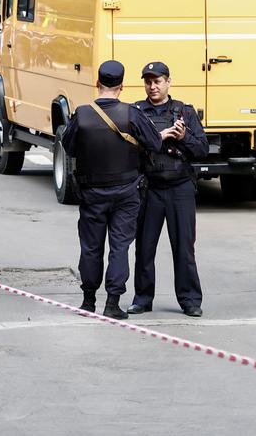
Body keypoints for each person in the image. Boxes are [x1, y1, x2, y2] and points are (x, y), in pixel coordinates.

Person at [61, 60, 164, 320]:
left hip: (91, 192)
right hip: (127, 193)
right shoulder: (132, 113)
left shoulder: (82, 114)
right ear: (122, 86)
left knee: (91, 247)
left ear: (97, 84)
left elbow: (69, 147)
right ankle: (112, 303)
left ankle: (87, 301)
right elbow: (154, 143)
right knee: (119, 247)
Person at [127, 61, 209, 318]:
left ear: (168, 82)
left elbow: (203, 150)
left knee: (184, 247)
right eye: (148, 82)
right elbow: (129, 150)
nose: (153, 86)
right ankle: (142, 298)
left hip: (180, 187)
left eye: (158, 81)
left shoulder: (184, 111)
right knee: (144, 247)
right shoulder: (136, 112)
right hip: (150, 188)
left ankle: (190, 300)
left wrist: (183, 137)